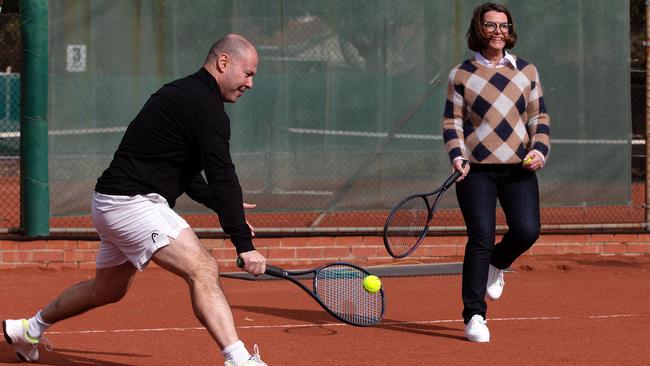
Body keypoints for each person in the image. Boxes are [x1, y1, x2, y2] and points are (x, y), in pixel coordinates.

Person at [3, 34, 269, 366]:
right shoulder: (205, 107)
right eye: (248, 73)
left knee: (108, 290)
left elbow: (182, 171)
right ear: (223, 62)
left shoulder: (183, 93)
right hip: (132, 203)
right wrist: (243, 244)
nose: (250, 83)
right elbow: (222, 174)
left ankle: (28, 329)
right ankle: (239, 359)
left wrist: (221, 204)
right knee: (203, 268)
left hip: (110, 202)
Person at [441, 3, 550, 343]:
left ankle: (497, 264)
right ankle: (474, 315)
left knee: (528, 230)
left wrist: (539, 150)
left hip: (519, 169)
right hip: (477, 173)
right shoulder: (461, 75)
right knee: (480, 237)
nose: (499, 31)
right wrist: (457, 157)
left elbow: (539, 118)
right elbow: (452, 123)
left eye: (504, 25)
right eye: (491, 25)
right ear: (479, 29)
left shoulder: (527, 72)